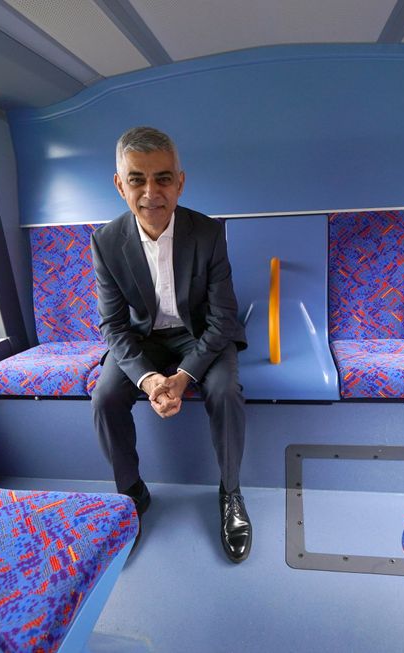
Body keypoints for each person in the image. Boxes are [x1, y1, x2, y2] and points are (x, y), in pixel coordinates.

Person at [90, 126, 252, 563]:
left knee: (224, 390)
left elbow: (222, 319)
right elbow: (113, 325)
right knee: (104, 395)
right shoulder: (105, 242)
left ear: (180, 182)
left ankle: (231, 493)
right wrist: (146, 379)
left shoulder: (208, 233)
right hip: (143, 341)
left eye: (163, 178)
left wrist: (183, 377)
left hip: (200, 336)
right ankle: (132, 494)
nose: (150, 192)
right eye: (137, 179)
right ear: (120, 184)